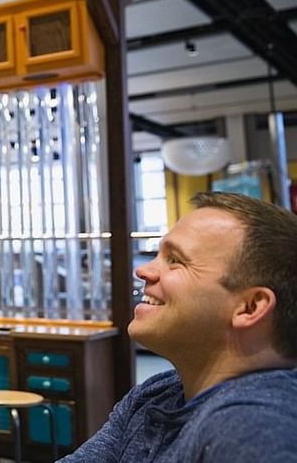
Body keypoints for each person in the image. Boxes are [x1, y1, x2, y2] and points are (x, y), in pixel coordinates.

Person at [61, 191, 297, 462]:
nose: (144, 271)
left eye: (175, 260)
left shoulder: (254, 425)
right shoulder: (158, 393)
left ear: (250, 307)